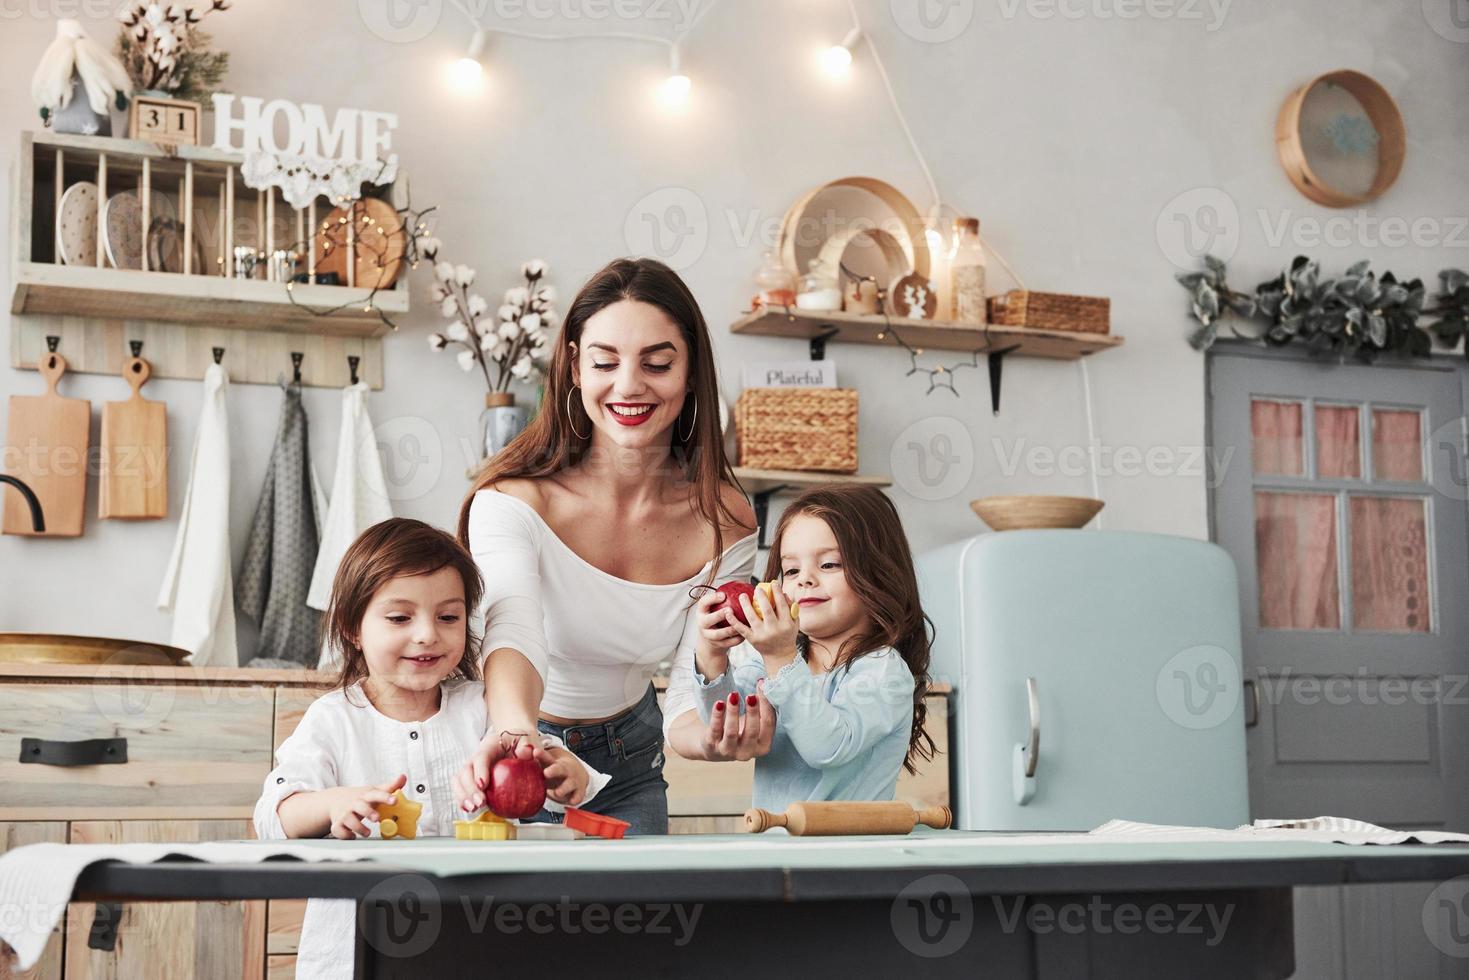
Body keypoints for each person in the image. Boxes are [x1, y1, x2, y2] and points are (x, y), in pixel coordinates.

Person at [454, 257, 768, 835]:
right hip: (515, 758)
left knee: (635, 924)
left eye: (657, 363)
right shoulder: (513, 501)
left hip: (632, 768)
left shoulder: (725, 518)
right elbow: (513, 625)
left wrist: (710, 738)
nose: (629, 386)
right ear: (575, 366)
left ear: (692, 370)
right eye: (605, 362)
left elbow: (688, 681)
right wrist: (518, 732)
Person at [253, 519, 607, 980]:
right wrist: (332, 803)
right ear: (353, 628)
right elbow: (272, 816)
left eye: (448, 616)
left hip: (480, 949)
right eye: (400, 618)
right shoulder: (333, 718)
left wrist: (565, 773)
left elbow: (546, 759)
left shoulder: (483, 708)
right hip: (355, 957)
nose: (427, 635)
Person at [690, 485, 937, 809]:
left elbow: (827, 747)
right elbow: (730, 725)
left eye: (829, 564)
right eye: (791, 569)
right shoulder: (771, 659)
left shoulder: (883, 670)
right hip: (777, 849)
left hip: (847, 857)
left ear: (879, 574)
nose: (804, 579)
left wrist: (780, 657)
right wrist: (712, 654)